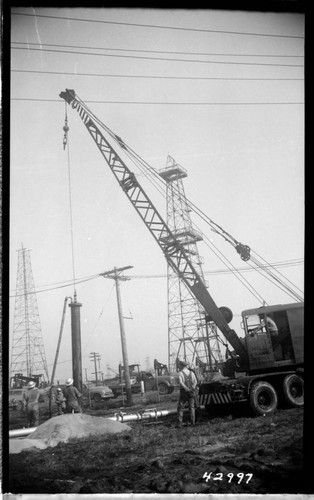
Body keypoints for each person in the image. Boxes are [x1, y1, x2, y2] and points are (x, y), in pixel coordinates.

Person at [176, 360, 198, 428]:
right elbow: (195, 382)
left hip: (184, 392)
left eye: (180, 365)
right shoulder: (191, 373)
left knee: (180, 408)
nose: (179, 366)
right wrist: (192, 388)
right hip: (191, 392)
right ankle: (193, 422)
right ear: (186, 366)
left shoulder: (180, 373)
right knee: (191, 407)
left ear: (182, 366)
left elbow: (181, 382)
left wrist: (186, 388)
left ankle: (179, 423)